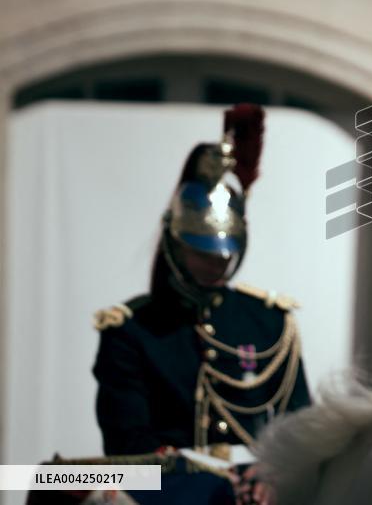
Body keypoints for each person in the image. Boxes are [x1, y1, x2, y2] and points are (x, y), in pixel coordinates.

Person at [92, 104, 310, 505]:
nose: (217, 263)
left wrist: (274, 472)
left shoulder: (269, 321)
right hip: (171, 491)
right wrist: (216, 481)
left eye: (224, 254)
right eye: (203, 252)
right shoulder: (131, 330)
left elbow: (299, 427)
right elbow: (128, 447)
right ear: (176, 244)